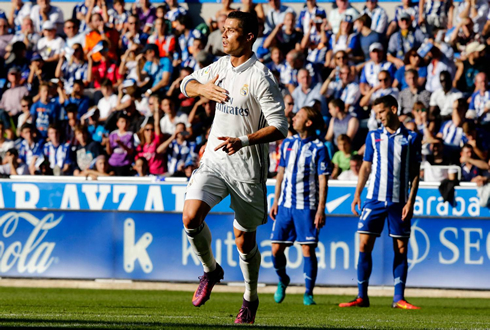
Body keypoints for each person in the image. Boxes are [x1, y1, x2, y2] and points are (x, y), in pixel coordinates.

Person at [180, 11, 288, 324]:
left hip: (247, 170)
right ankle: (211, 270)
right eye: (223, 29)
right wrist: (202, 90)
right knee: (190, 218)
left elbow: (280, 126)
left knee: (245, 240)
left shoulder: (261, 77)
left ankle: (250, 297)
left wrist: (243, 140)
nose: (224, 35)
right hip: (214, 160)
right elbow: (186, 82)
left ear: (250, 37)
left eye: (231, 31)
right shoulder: (221, 65)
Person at [339, 95, 422, 310]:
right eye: (376, 114)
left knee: (401, 248)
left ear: (393, 109)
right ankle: (361, 296)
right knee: (364, 244)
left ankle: (398, 298)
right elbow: (366, 167)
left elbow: (415, 173)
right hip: (374, 199)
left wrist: (410, 201)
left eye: (382, 112)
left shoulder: (412, 137)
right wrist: (357, 194)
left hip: (398, 201)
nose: (379, 117)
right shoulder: (373, 136)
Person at [269, 106, 329, 306]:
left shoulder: (320, 148)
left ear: (308, 123)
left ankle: (308, 292)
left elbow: (323, 180)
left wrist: (321, 209)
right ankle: (283, 279)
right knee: (276, 249)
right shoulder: (287, 144)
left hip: (307, 206)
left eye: (299, 116)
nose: (293, 119)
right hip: (285, 205)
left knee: (307, 250)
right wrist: (275, 200)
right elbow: (280, 174)